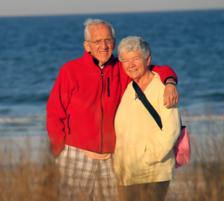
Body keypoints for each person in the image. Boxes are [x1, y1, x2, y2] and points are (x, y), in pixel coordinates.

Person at [46, 19, 178, 201]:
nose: (104, 46)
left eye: (108, 40)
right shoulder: (70, 70)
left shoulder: (122, 68)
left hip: (111, 159)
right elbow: (55, 111)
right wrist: (59, 150)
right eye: (97, 41)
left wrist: (170, 81)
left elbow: (154, 69)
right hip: (75, 155)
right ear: (87, 46)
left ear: (114, 43)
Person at [113, 36, 181, 201]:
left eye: (136, 59)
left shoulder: (162, 88)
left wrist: (149, 158)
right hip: (127, 174)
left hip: (152, 172)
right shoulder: (129, 88)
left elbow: (172, 130)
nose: (131, 65)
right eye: (126, 60)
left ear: (147, 59)